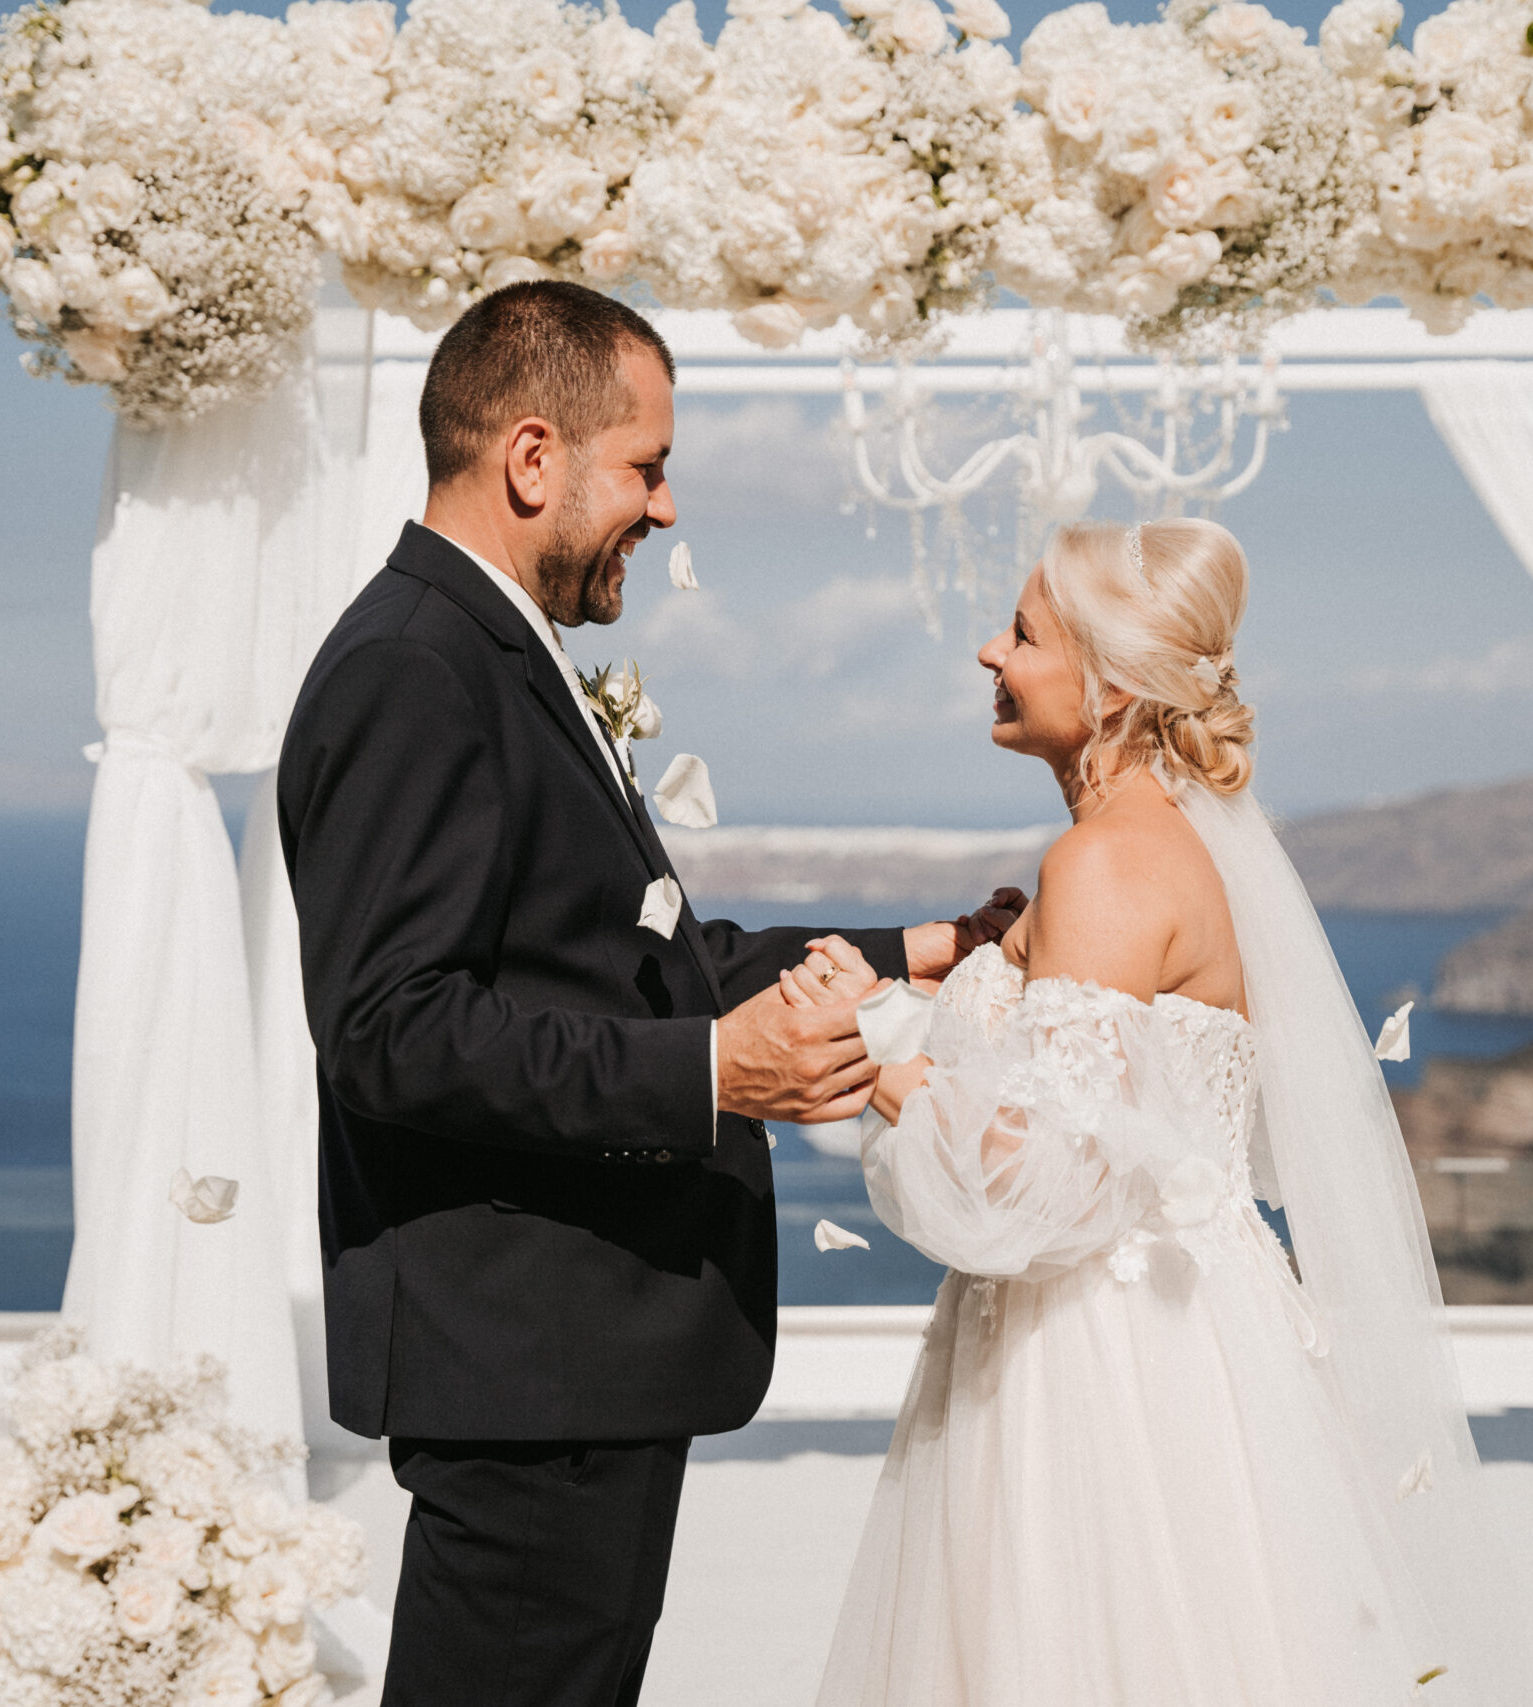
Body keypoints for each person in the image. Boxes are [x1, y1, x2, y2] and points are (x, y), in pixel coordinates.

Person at [273, 280, 1015, 1707]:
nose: (666, 510)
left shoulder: (493, 650)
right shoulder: (412, 667)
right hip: (524, 1367)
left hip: (572, 1364)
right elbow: (388, 1029)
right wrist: (712, 1076)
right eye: (647, 467)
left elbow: (634, 962)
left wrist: (915, 946)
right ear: (532, 458)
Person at [793, 519, 1511, 1706]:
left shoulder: (1103, 865)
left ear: (1113, 686)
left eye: (1021, 634)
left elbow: (1038, 1183)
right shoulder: (1154, 846)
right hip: (1186, 1330)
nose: (988, 653)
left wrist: (876, 1052)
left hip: (1098, 1355)